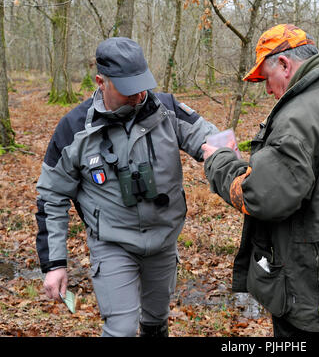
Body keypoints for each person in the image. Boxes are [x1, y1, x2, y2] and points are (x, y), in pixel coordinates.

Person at [202, 24, 319, 337]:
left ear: (285, 65)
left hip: (312, 277)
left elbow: (260, 197)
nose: (266, 89)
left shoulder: (298, 119)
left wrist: (219, 160)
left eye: (266, 77)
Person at [35, 37, 218, 337]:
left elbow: (209, 139)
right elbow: (51, 196)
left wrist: (226, 155)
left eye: (142, 84)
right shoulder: (74, 128)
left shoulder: (166, 110)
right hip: (112, 243)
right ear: (100, 82)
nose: (138, 95)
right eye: (127, 87)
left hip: (163, 241)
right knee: (120, 329)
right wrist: (54, 264)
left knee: (156, 321)